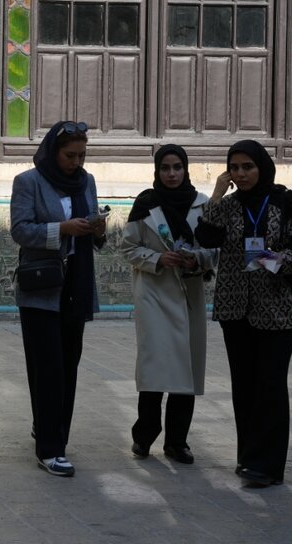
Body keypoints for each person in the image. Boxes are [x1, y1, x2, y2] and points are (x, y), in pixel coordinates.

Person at [194, 140, 292, 487]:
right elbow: (206, 237)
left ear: (262, 167)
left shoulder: (284, 201)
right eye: (234, 168)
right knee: (244, 386)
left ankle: (267, 466)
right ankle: (248, 458)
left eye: (247, 166)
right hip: (235, 309)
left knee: (270, 386)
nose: (241, 174)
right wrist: (216, 194)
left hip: (277, 311)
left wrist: (271, 260)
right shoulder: (229, 205)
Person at [9, 120, 106, 477]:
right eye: (70, 156)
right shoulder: (29, 182)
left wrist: (98, 229)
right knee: (47, 366)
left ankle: (53, 430)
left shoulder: (87, 182)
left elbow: (95, 234)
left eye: (81, 155)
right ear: (53, 152)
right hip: (41, 288)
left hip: (76, 285)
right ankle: (50, 450)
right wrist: (62, 229)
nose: (76, 162)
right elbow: (20, 230)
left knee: (68, 365)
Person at [118, 144, 217, 464]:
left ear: (186, 170)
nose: (171, 174)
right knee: (155, 365)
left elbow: (215, 249)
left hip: (188, 295)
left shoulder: (202, 204)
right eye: (165, 168)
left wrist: (195, 259)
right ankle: (144, 435)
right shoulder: (146, 204)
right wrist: (158, 258)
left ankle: (177, 441)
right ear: (157, 171)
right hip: (154, 294)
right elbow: (128, 247)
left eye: (177, 167)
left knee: (186, 368)